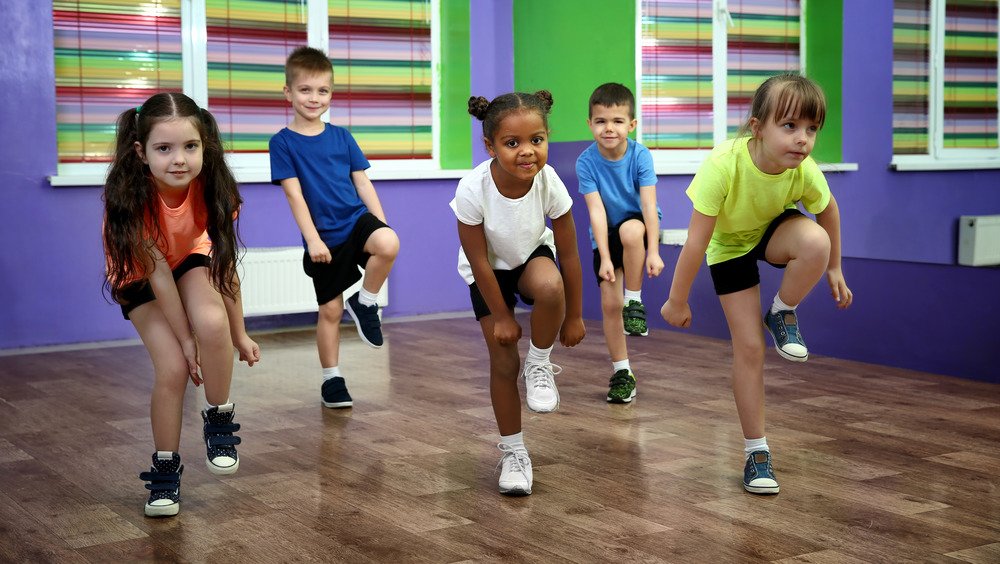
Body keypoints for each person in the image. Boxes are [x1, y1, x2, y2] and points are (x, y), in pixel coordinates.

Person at [660, 74, 853, 494]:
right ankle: (756, 452)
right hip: (728, 248)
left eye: (811, 129)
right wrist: (677, 299)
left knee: (815, 242)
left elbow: (830, 213)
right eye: (789, 126)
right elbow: (697, 241)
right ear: (757, 127)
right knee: (749, 349)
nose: (803, 139)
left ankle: (781, 311)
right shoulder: (722, 165)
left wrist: (834, 268)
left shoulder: (802, 170)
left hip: (770, 230)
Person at [103, 92, 261, 517]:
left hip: (188, 258)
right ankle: (165, 470)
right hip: (140, 276)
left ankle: (219, 415)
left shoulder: (214, 190)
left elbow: (224, 264)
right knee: (173, 367)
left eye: (190, 147)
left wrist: (239, 331)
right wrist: (185, 342)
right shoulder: (132, 201)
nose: (179, 159)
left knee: (214, 325)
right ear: (141, 152)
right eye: (164, 148)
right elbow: (157, 278)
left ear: (204, 147)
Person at [452, 90, 586, 496]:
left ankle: (540, 363)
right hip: (488, 274)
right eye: (513, 143)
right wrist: (504, 317)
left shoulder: (549, 181)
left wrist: (575, 314)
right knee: (503, 362)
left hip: (529, 256)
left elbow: (569, 253)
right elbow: (478, 261)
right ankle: (514, 453)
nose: (528, 152)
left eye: (537, 140)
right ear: (490, 145)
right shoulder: (472, 189)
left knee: (549, 284)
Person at [269, 46, 400, 409]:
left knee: (388, 242)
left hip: (356, 220)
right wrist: (312, 240)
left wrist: (380, 224)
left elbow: (363, 184)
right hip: (324, 237)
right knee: (329, 310)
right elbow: (295, 196)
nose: (314, 98)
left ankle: (366, 301)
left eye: (322, 90)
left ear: (331, 94)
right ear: (288, 93)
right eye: (305, 90)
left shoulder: (342, 137)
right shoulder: (282, 143)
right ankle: (332, 380)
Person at [575, 83, 663, 403]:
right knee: (609, 305)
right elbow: (596, 211)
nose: (609, 128)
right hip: (605, 233)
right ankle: (623, 372)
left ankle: (635, 300)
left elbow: (649, 206)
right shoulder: (586, 163)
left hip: (637, 228)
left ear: (631, 125)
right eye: (601, 121)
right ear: (590, 124)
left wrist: (653, 250)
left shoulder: (640, 156)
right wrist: (606, 258)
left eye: (617, 121)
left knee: (629, 232)